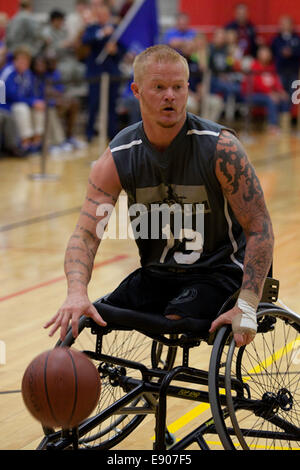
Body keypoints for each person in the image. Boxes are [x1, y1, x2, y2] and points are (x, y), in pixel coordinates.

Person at [44, 45, 274, 350]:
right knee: (98, 315)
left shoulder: (221, 149)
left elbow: (260, 227)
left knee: (178, 315)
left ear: (188, 89)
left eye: (178, 87)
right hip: (157, 274)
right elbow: (86, 234)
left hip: (220, 274)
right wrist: (76, 292)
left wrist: (247, 303)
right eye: (159, 87)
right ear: (136, 91)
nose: (171, 96)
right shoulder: (117, 157)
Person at [81, 1, 124, 141]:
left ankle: (112, 134)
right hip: (95, 73)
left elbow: (123, 50)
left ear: (109, 15)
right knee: (93, 104)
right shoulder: (92, 28)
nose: (102, 16)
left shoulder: (117, 29)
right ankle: (89, 133)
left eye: (104, 14)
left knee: (112, 105)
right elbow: (86, 40)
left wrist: (115, 51)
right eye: (99, 14)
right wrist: (101, 33)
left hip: (112, 73)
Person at [2, 47, 45, 153]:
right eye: (20, 60)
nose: (23, 63)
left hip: (21, 103)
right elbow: (11, 95)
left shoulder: (28, 74)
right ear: (14, 61)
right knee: (22, 108)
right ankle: (25, 142)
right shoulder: (8, 72)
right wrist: (32, 102)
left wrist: (36, 102)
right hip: (6, 105)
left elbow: (32, 93)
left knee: (39, 108)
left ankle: (36, 141)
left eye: (26, 61)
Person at [242, 45, 290, 134]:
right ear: (259, 55)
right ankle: (272, 126)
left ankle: (285, 125)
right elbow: (256, 85)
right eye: (264, 53)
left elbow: (276, 82)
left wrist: (281, 91)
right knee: (271, 100)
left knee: (284, 99)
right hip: (251, 95)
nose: (267, 55)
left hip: (268, 94)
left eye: (268, 53)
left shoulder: (271, 67)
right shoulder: (254, 67)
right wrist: (270, 93)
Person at [271, 15, 300, 97]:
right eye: (283, 24)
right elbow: (272, 53)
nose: (285, 26)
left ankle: (289, 110)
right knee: (280, 93)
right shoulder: (276, 39)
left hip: (294, 72)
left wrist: (292, 52)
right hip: (280, 71)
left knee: (292, 95)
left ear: (291, 25)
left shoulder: (297, 39)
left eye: (287, 24)